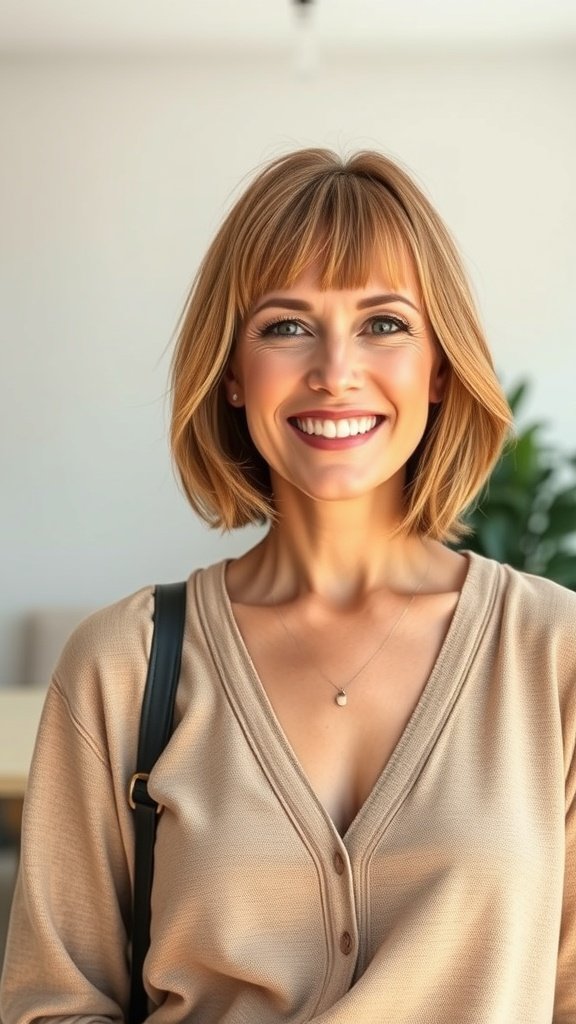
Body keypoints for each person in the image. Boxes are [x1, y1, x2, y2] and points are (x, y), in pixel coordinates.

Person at [1, 147, 574, 1023]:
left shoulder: (554, 655)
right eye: (285, 325)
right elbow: (53, 1002)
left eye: (384, 323)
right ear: (232, 373)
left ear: (441, 366)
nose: (334, 369)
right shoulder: (122, 664)